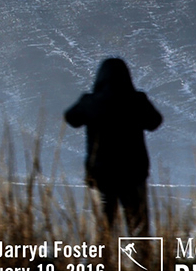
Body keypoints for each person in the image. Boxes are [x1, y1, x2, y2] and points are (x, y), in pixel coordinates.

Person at [64, 58, 163, 235]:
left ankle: (101, 262)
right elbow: (155, 121)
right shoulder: (137, 100)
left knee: (102, 231)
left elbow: (71, 118)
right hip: (133, 174)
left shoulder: (91, 102)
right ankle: (141, 261)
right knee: (138, 229)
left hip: (101, 176)